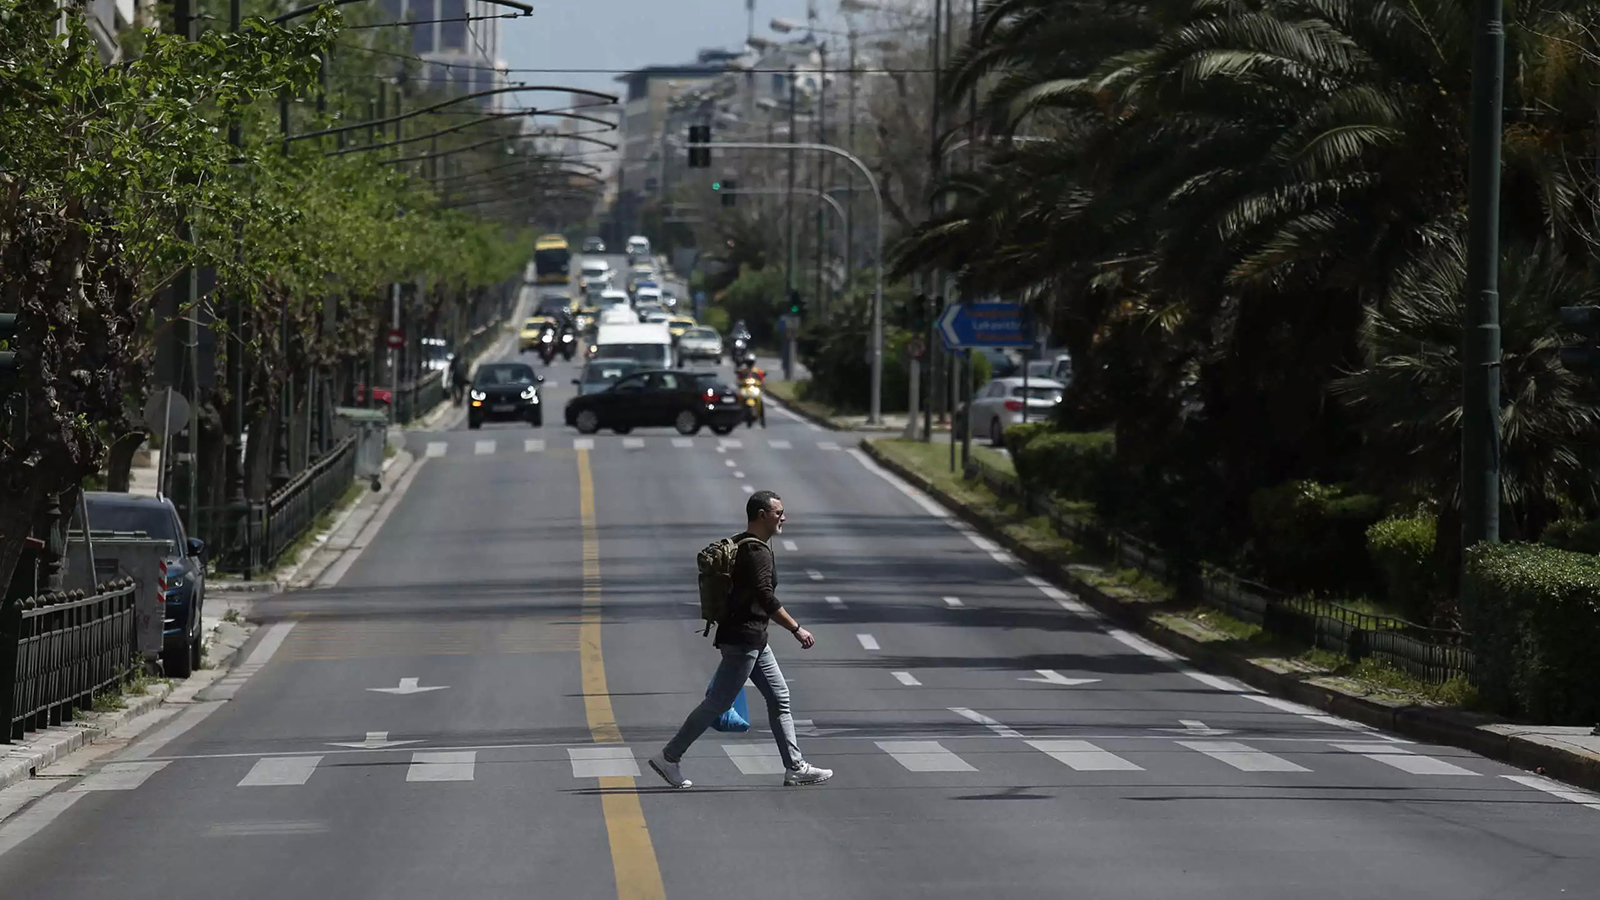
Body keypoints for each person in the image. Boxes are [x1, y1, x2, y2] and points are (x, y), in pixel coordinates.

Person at [650, 491, 832, 789]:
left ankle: (795, 767)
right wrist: (796, 628)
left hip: (751, 638)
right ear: (762, 515)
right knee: (717, 703)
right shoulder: (756, 552)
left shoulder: (741, 543)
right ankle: (669, 757)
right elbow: (765, 595)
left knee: (779, 698)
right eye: (778, 513)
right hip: (744, 639)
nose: (783, 517)